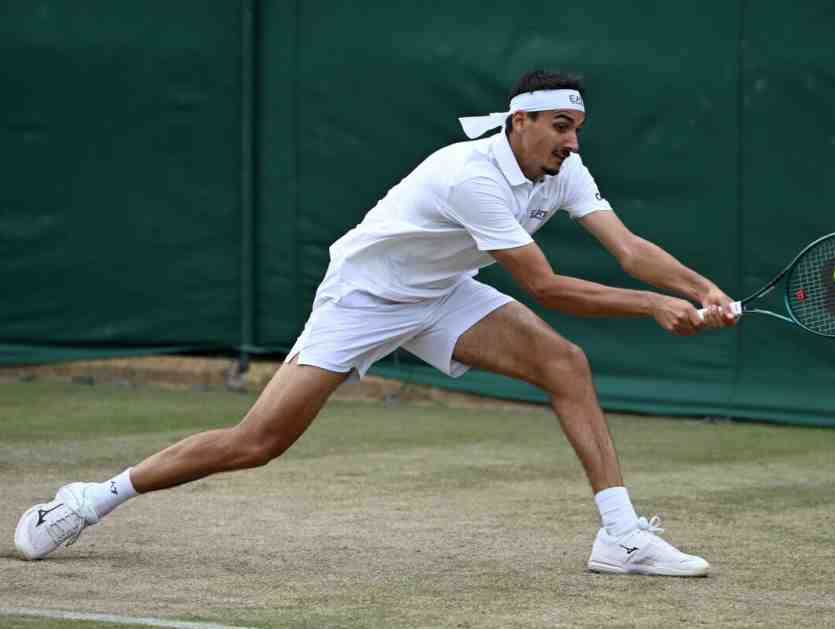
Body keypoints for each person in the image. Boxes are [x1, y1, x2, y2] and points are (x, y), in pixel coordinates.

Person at [15, 70, 737, 576]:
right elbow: (544, 284)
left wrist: (704, 289)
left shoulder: (564, 169)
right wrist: (652, 306)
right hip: (366, 296)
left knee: (565, 365)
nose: (571, 142)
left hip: (443, 291)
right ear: (519, 122)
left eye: (577, 128)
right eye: (559, 127)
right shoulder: (470, 174)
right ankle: (87, 500)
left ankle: (619, 537)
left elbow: (631, 249)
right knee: (258, 441)